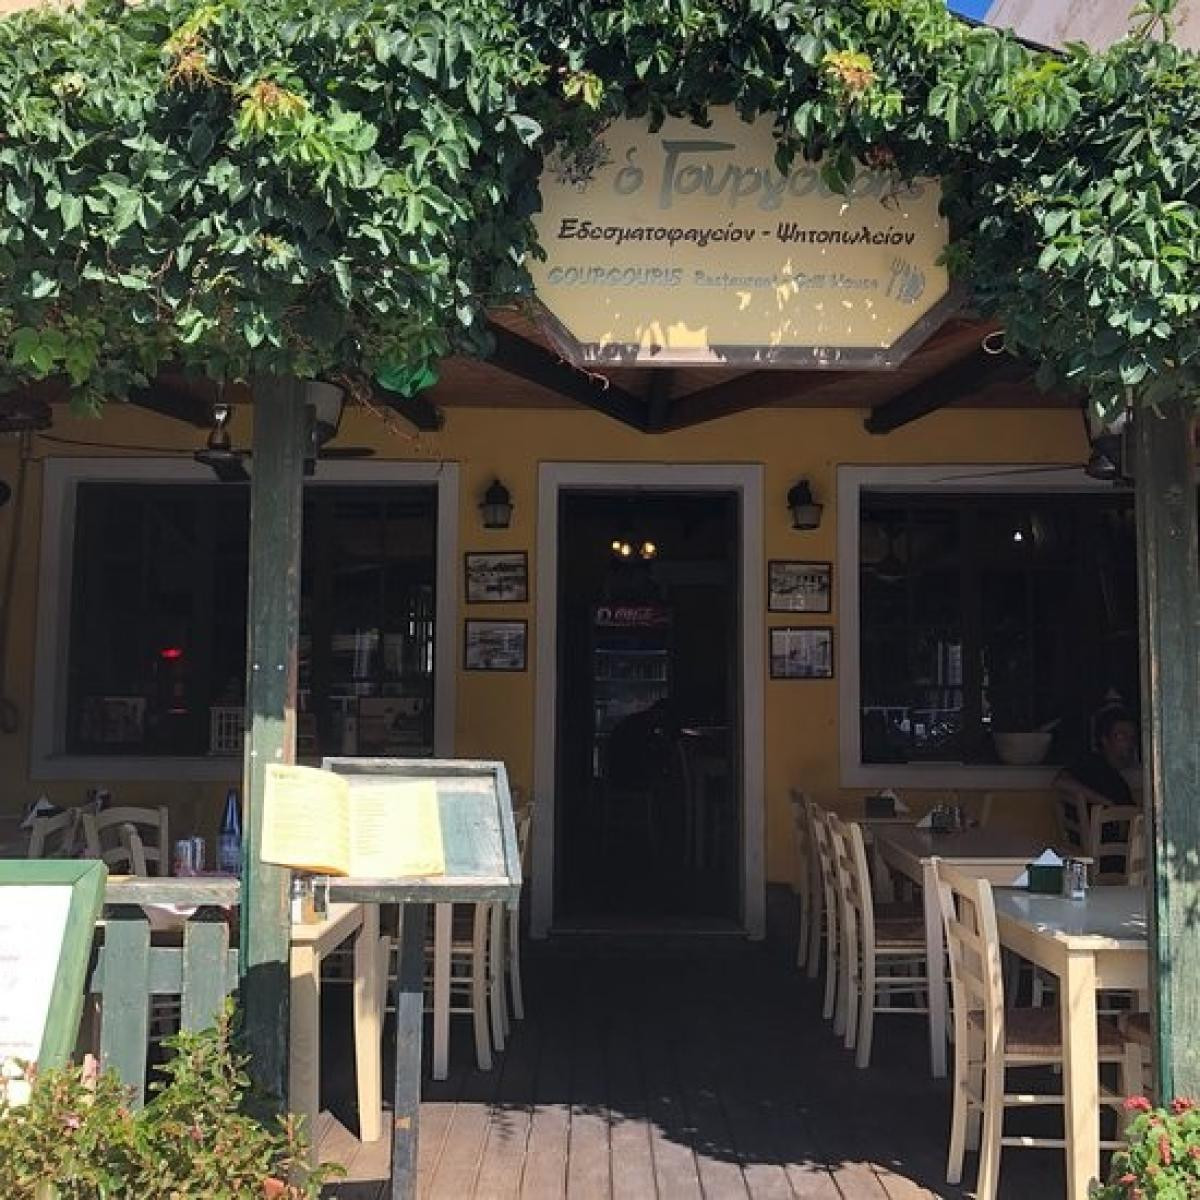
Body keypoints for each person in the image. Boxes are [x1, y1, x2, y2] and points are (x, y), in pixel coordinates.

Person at [1053, 706, 1138, 810]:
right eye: (1121, 736)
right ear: (1104, 740)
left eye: (1132, 737)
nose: (1129, 742)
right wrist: (1107, 803)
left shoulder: (1117, 780)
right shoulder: (1092, 764)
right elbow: (1061, 782)